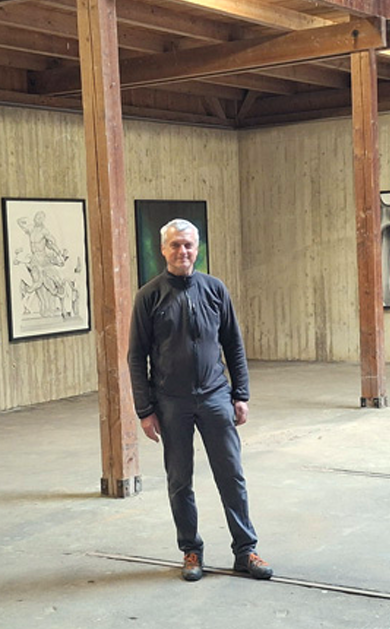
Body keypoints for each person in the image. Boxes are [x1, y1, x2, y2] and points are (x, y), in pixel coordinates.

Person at [128, 218, 272, 582]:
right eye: (175, 245)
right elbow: (136, 356)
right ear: (163, 250)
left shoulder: (214, 290)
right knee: (179, 480)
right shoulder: (149, 297)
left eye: (188, 245)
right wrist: (145, 410)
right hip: (171, 402)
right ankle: (191, 550)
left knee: (231, 476)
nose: (182, 252)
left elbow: (233, 345)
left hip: (214, 397)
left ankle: (245, 551)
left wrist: (241, 394)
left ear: (197, 248)